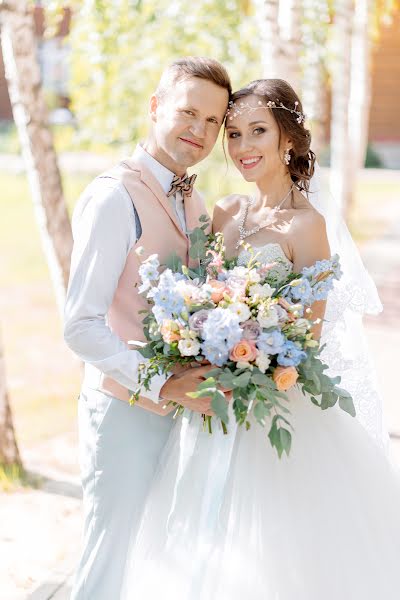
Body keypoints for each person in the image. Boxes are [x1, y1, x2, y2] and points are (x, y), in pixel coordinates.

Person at [121, 79, 400, 600]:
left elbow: (309, 336)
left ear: (287, 140)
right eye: (233, 134)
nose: (243, 147)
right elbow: (199, 293)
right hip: (211, 399)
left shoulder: (307, 227)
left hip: (272, 405)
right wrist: (200, 337)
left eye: (257, 132)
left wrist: (256, 351)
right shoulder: (225, 212)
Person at [63, 57, 231, 600]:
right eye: (188, 112)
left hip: (180, 415)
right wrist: (161, 383)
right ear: (156, 107)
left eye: (213, 121)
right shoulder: (114, 196)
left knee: (155, 564)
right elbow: (80, 326)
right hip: (123, 411)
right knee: (109, 559)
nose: (199, 131)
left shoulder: (195, 200)